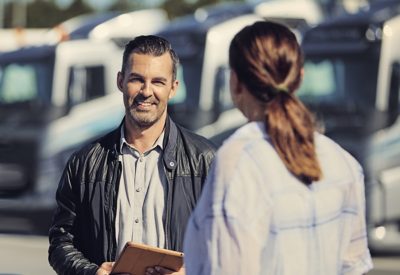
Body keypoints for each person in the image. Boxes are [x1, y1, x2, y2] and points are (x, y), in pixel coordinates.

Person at [183, 21, 373, 275]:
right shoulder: (345, 163)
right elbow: (353, 267)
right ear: (299, 78)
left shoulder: (238, 160)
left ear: (235, 82)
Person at [48, 35, 216, 275]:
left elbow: (228, 244)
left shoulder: (206, 161)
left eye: (158, 81)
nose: (146, 92)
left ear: (173, 88)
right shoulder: (84, 162)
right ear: (120, 81)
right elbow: (60, 242)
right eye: (137, 79)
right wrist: (91, 272)